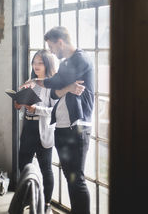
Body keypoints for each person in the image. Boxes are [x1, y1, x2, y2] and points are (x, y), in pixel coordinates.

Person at [21, 26, 94, 214]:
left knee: (76, 179)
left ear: (60, 42)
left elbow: (55, 83)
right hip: (62, 125)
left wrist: (55, 84)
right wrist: (66, 86)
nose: (51, 51)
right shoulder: (66, 64)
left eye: (51, 47)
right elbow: (55, 90)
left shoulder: (80, 58)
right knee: (70, 177)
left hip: (76, 127)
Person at [14, 49, 57, 214]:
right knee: (23, 165)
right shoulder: (30, 82)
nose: (36, 66)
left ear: (47, 64)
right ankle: (27, 199)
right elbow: (24, 108)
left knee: (46, 168)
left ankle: (46, 204)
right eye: (34, 62)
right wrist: (19, 105)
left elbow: (55, 111)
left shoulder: (53, 84)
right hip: (28, 128)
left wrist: (36, 109)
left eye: (40, 63)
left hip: (43, 130)